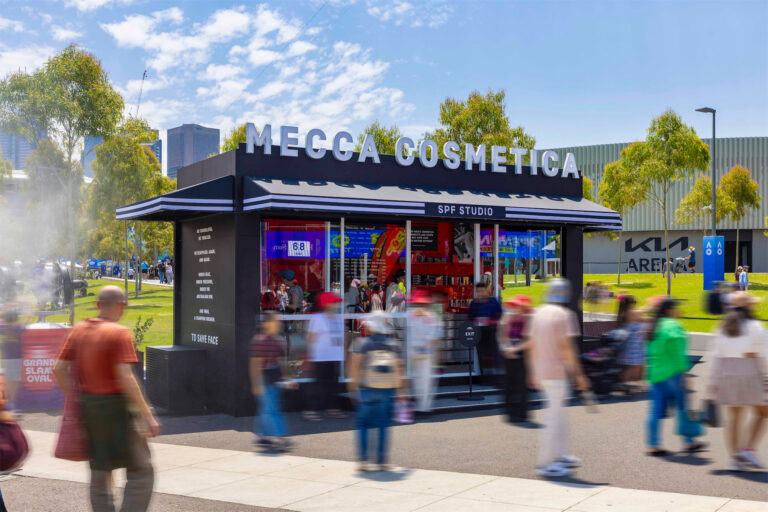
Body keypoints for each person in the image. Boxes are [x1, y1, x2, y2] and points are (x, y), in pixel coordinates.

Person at [53, 286, 159, 512]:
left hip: (91, 409)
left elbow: (58, 369)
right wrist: (147, 415)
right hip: (119, 411)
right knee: (141, 471)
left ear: (98, 305)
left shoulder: (79, 330)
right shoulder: (119, 333)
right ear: (122, 306)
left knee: (100, 472)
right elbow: (126, 377)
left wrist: (77, 400)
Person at [525, 279, 589, 477]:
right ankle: (546, 463)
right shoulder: (564, 315)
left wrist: (532, 373)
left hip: (543, 373)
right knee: (554, 419)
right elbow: (567, 348)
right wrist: (579, 374)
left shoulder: (537, 314)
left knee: (558, 417)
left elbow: (531, 346)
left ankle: (561, 455)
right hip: (557, 374)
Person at [706, 292, 768, 471]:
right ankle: (748, 449)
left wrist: (712, 386)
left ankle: (734, 459)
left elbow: (715, 357)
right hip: (750, 374)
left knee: (734, 418)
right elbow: (764, 356)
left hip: (727, 376)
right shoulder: (754, 326)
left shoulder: (723, 327)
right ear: (749, 306)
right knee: (764, 413)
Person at [645, 297, 705, 457]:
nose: (678, 311)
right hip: (673, 375)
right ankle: (689, 442)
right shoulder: (673, 326)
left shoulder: (653, 326)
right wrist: (685, 373)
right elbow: (678, 354)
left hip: (656, 374)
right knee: (683, 408)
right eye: (676, 308)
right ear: (669, 310)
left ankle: (653, 444)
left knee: (655, 411)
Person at [347, 311, 406, 471]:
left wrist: (353, 388)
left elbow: (354, 367)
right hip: (388, 390)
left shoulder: (362, 344)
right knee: (383, 424)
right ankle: (382, 461)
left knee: (363, 424)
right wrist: (401, 391)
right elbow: (399, 369)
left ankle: (363, 460)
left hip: (367, 389)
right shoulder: (393, 345)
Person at [250, 312, 295, 451]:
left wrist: (288, 377)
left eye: (278, 321)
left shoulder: (278, 340)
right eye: (275, 321)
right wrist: (256, 384)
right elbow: (254, 365)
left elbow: (282, 361)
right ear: (267, 324)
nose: (278, 323)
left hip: (273, 378)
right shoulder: (260, 340)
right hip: (263, 377)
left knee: (267, 408)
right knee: (273, 409)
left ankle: (262, 436)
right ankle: (282, 438)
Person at [304, 292, 345, 421]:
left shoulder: (338, 318)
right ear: (327, 304)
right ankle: (310, 411)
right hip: (320, 357)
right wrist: (309, 355)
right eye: (334, 302)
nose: (337, 304)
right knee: (318, 385)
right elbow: (309, 338)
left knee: (333, 384)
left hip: (334, 356)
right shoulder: (317, 319)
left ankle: (332, 408)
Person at [497, 295, 532, 423]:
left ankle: (522, 414)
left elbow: (530, 341)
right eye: (516, 306)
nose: (517, 308)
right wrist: (506, 348)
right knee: (509, 385)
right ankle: (510, 413)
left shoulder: (529, 319)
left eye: (520, 306)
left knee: (522, 386)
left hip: (523, 354)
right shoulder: (507, 317)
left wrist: (515, 349)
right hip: (508, 354)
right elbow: (501, 335)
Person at [406, 289, 440, 413]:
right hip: (421, 353)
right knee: (420, 379)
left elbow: (431, 337)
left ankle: (424, 406)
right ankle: (423, 405)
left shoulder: (426, 317)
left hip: (421, 353)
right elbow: (431, 337)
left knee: (422, 380)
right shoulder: (428, 317)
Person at [468, 281, 502, 383]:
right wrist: (475, 321)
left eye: (482, 290)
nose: (480, 293)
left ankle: (494, 377)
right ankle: (484, 378)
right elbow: (470, 316)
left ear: (487, 291)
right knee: (481, 354)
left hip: (491, 330)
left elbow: (499, 314)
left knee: (492, 353)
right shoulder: (474, 303)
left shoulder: (493, 301)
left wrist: (491, 321)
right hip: (479, 331)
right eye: (478, 291)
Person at [614, 296, 646, 391]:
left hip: (635, 344)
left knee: (638, 367)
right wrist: (654, 303)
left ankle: (639, 385)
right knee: (633, 368)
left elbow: (643, 319)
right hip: (633, 346)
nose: (635, 305)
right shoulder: (629, 313)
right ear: (630, 304)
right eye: (634, 303)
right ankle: (622, 384)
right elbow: (642, 314)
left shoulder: (625, 313)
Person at [0, 310, 24, 411]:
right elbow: (25, 325)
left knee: (8, 380)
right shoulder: (18, 327)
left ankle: (7, 403)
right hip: (17, 358)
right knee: (14, 381)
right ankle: (11, 403)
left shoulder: (3, 327)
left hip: (6, 358)